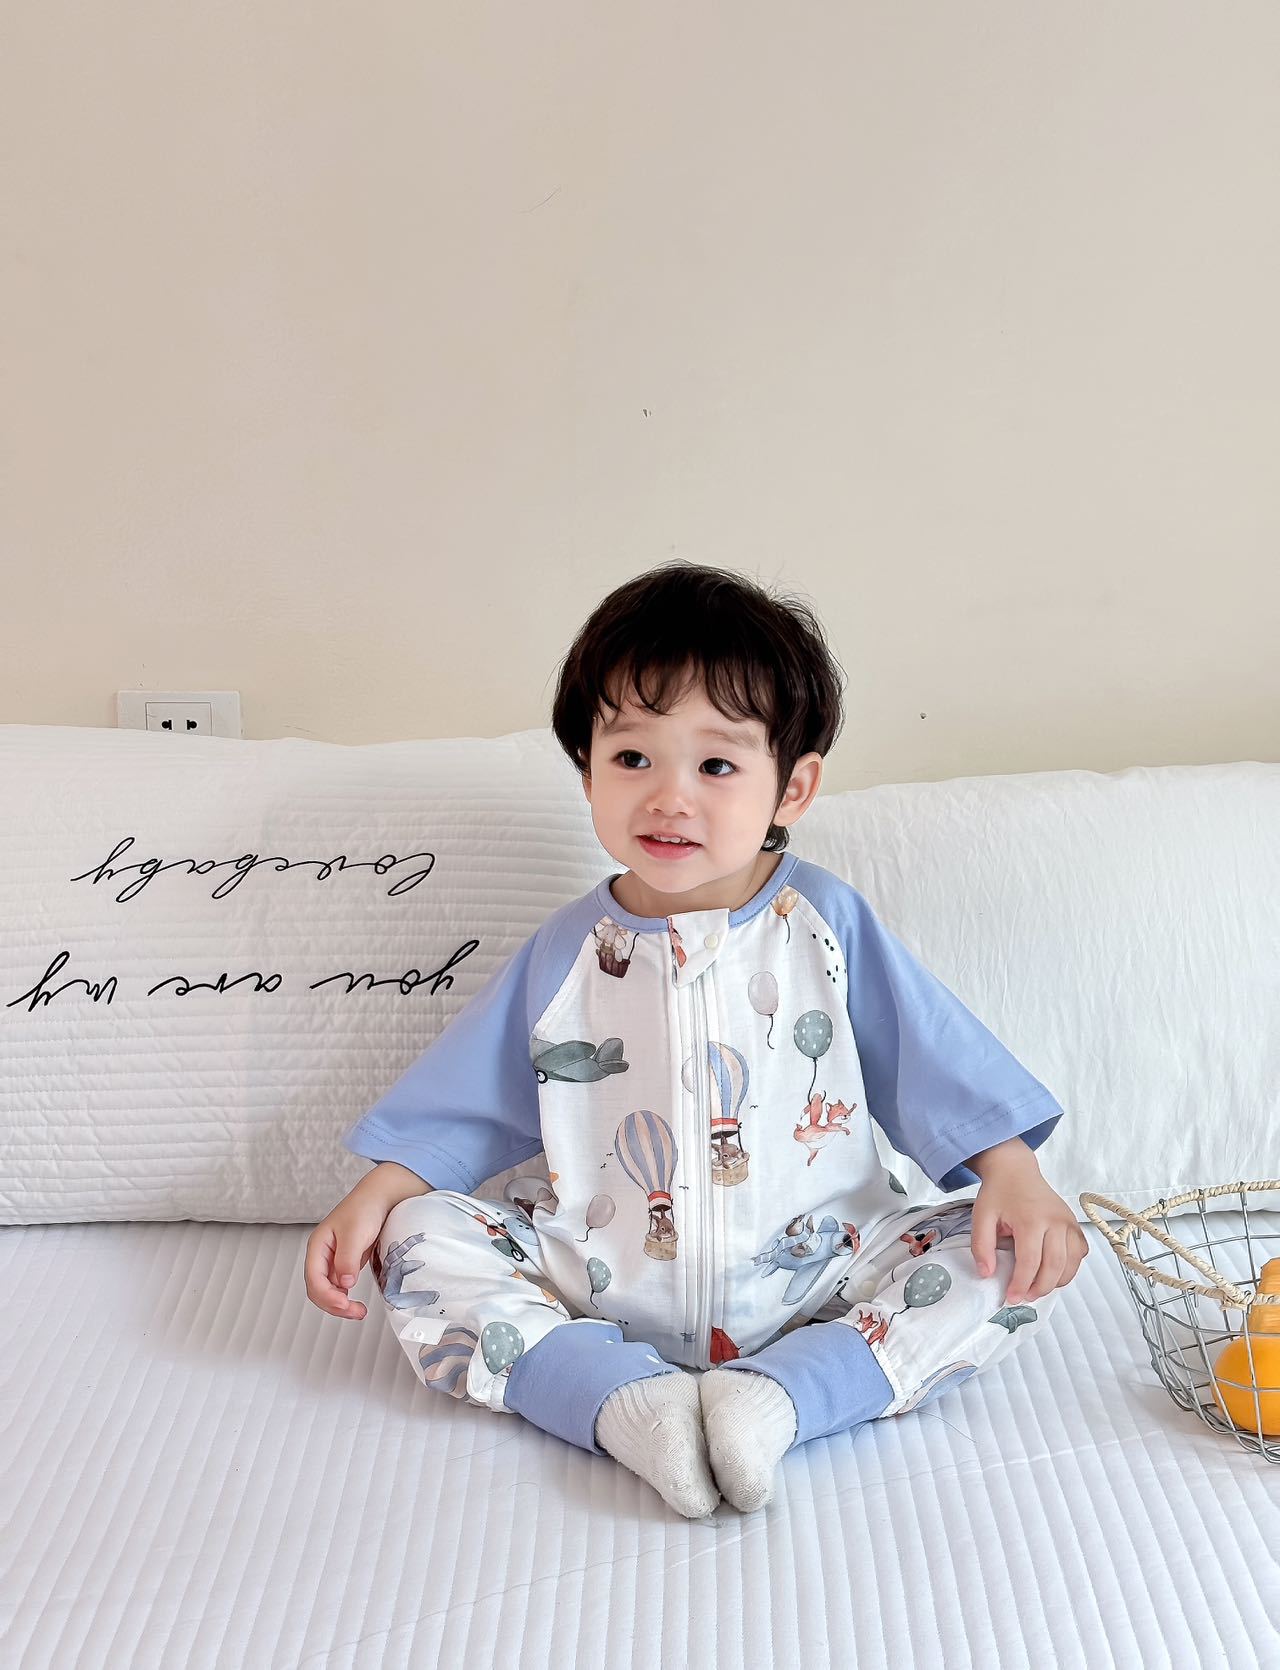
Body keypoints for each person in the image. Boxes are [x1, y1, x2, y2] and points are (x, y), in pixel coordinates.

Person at [305, 561, 1089, 1518]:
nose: (669, 798)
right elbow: (471, 1099)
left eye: (716, 766)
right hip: (593, 1278)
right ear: (587, 770)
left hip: (823, 1273)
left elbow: (931, 1058)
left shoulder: (824, 924)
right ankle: (619, 1402)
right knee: (417, 1238)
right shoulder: (567, 951)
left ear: (793, 787)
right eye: (633, 758)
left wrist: (1011, 1169)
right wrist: (379, 1192)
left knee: (1014, 1256)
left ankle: (784, 1396)